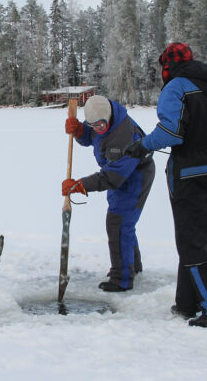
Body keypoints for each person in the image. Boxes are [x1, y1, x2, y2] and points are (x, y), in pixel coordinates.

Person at [123, 43, 207, 327]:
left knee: (192, 244)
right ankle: (187, 302)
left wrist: (142, 144)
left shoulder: (176, 87)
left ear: (167, 66)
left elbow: (171, 132)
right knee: (197, 239)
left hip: (188, 170)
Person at [62, 95, 156, 292]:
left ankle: (121, 279)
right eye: (92, 125)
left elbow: (112, 176)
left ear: (109, 117)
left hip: (133, 177)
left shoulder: (123, 136)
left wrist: (80, 185)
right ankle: (132, 268)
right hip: (119, 175)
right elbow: (95, 137)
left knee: (118, 223)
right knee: (123, 223)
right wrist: (80, 132)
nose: (97, 129)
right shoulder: (104, 122)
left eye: (100, 125)